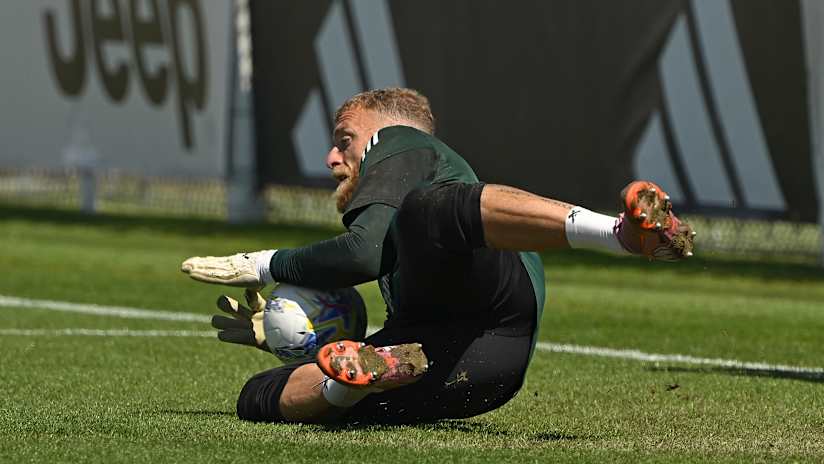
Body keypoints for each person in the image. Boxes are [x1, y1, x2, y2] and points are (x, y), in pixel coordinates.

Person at [181, 87, 694, 424]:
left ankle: (622, 235)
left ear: (388, 134)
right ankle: (358, 380)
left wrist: (266, 264)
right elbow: (373, 258)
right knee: (256, 396)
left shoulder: (402, 142)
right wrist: (291, 340)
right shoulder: (395, 222)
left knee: (427, 209)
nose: (332, 158)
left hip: (492, 306)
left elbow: (362, 256)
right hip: (475, 365)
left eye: (345, 140)